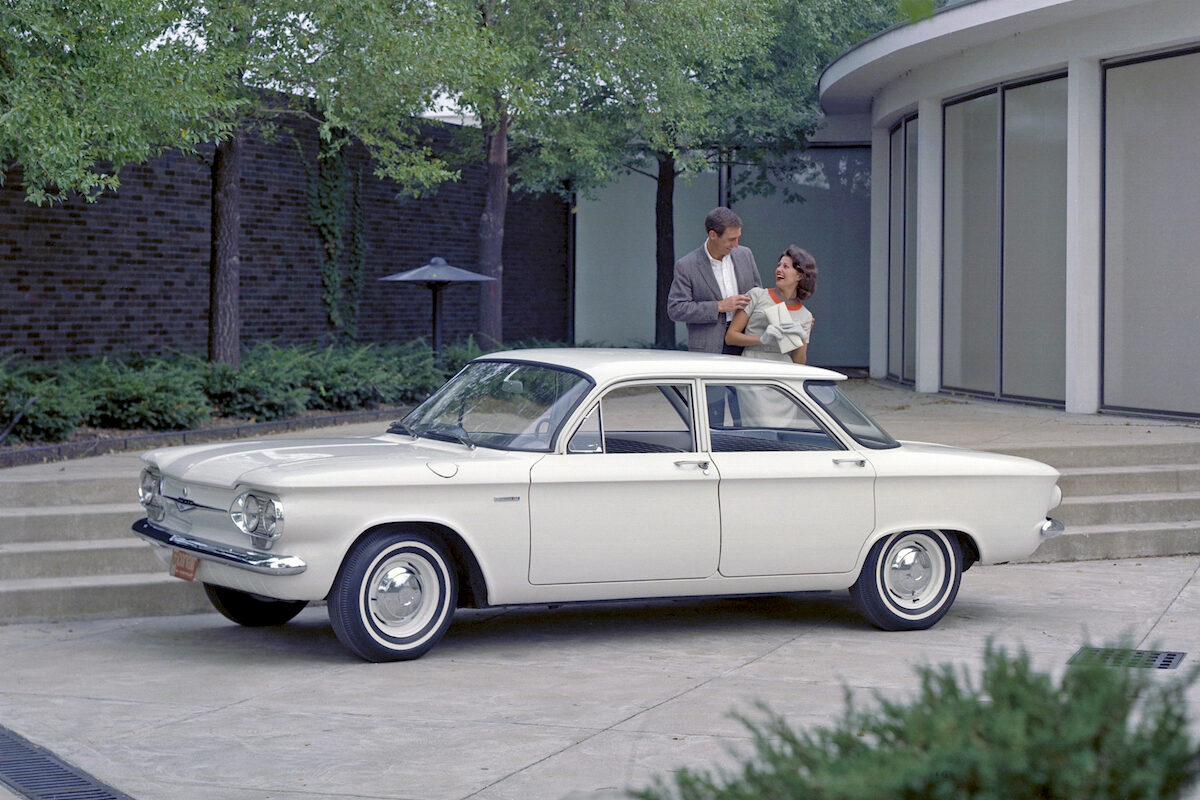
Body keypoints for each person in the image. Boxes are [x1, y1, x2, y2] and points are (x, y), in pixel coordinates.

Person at [722, 246, 818, 426]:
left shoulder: (805, 316)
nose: (779, 269)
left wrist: (802, 337)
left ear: (799, 275)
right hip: (753, 370)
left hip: (783, 378)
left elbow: (799, 362)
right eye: (779, 265)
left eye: (786, 266)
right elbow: (731, 336)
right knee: (759, 426)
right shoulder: (757, 295)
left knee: (781, 432)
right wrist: (761, 338)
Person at [667, 207, 762, 355]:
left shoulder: (745, 255)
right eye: (731, 239)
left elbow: (758, 296)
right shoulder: (686, 265)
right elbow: (676, 309)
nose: (736, 244)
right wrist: (718, 306)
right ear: (713, 235)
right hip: (709, 349)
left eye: (738, 237)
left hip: (746, 343)